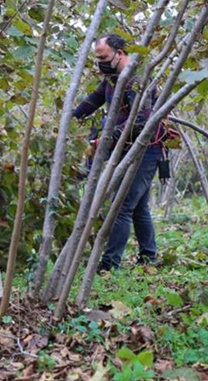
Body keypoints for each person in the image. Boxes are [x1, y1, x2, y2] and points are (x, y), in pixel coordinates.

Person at [73, 34, 168, 271]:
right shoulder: (113, 79)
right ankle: (149, 257)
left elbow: (141, 120)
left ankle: (109, 264)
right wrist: (71, 118)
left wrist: (109, 137)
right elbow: (94, 99)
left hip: (146, 149)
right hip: (125, 149)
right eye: (98, 58)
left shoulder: (136, 80)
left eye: (104, 57)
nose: (101, 63)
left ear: (120, 53)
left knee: (121, 206)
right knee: (138, 207)